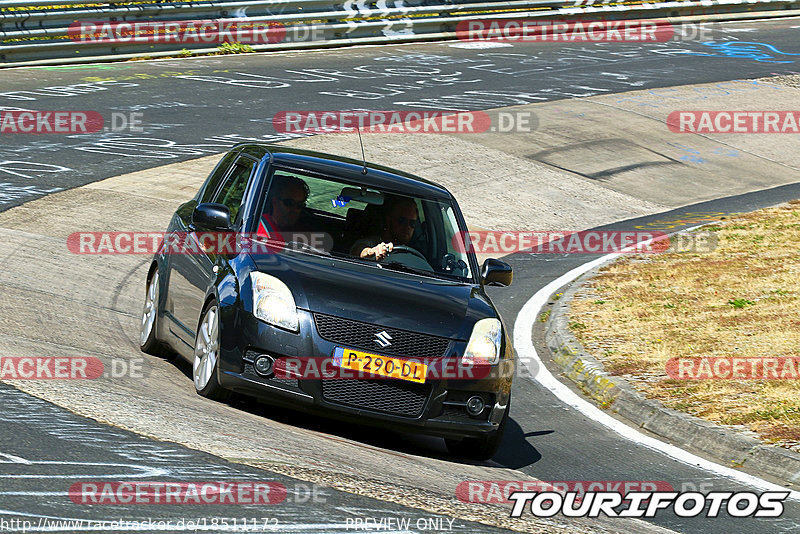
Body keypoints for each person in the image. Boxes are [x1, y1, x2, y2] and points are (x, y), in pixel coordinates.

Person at [351, 196, 419, 261]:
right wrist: (372, 251)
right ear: (389, 221)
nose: (407, 226)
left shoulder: (416, 250)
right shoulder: (372, 242)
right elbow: (359, 251)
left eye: (412, 223)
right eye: (402, 221)